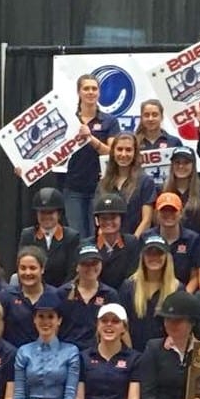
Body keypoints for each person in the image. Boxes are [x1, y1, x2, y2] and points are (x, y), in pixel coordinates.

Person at [61, 73, 120, 238]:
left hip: (100, 187)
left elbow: (113, 153)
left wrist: (90, 138)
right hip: (73, 187)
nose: (90, 92)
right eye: (86, 88)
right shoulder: (69, 121)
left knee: (98, 235)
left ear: (99, 92)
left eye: (94, 88)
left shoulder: (110, 121)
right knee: (77, 236)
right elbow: (51, 155)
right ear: (79, 92)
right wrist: (26, 167)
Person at [118, 234, 182, 352]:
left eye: (159, 253)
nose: (154, 257)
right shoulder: (129, 286)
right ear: (142, 257)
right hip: (134, 353)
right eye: (149, 253)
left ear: (167, 257)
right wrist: (131, 355)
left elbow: (181, 325)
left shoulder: (177, 289)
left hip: (166, 354)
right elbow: (122, 324)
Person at [56, 243, 120, 351]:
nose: (90, 267)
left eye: (95, 263)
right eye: (85, 264)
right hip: (67, 352)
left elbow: (118, 328)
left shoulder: (110, 294)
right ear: (77, 266)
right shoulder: (62, 293)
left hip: (98, 352)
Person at [96, 131, 157, 238]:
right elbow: (98, 219)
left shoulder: (146, 181)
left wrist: (131, 243)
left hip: (136, 243)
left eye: (128, 150)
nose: (123, 154)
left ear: (135, 153)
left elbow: (146, 220)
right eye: (119, 149)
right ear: (113, 152)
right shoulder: (103, 183)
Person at [17, 187, 79, 287]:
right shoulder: (27, 235)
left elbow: (72, 272)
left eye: (50, 212)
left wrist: (58, 294)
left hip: (62, 293)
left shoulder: (71, 237)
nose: (46, 216)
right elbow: (22, 266)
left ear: (59, 214)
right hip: (33, 289)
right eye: (42, 212)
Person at [0, 247, 58, 347]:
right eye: (23, 268)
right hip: (14, 357)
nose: (27, 273)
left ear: (42, 269)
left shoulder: (55, 295)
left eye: (32, 268)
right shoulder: (6, 296)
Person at [142, 192, 200, 291]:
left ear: (181, 213)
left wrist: (183, 296)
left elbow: (195, 277)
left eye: (173, 210)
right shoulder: (145, 237)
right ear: (156, 213)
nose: (168, 214)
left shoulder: (193, 239)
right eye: (164, 211)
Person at [83, 193, 140, 290]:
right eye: (104, 218)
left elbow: (132, 276)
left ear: (121, 219)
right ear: (97, 221)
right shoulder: (87, 245)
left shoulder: (132, 243)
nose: (108, 222)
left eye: (113, 218)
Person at [161, 146, 200, 234]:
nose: (181, 166)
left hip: (196, 244)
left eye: (186, 163)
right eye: (177, 162)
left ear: (193, 165)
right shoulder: (161, 190)